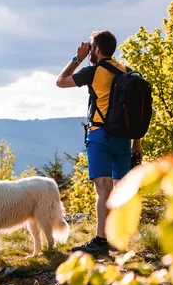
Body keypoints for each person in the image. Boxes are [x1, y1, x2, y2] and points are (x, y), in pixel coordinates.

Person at [56, 30, 143, 256]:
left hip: (99, 136)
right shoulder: (127, 71)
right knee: (120, 189)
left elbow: (60, 82)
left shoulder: (93, 71)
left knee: (103, 189)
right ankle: (118, 238)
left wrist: (78, 58)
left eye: (91, 48)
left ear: (96, 50)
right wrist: (137, 142)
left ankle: (100, 240)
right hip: (124, 138)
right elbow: (134, 110)